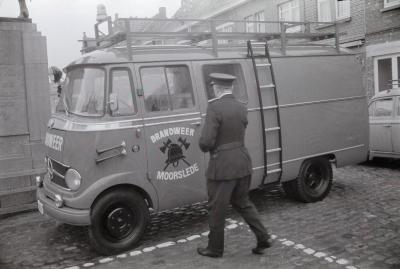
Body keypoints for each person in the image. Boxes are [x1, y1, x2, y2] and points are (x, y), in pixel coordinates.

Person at [197, 73, 272, 258]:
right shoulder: (241, 107)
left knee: (217, 208)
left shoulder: (214, 107)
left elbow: (207, 141)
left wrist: (202, 143)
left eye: (213, 86)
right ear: (230, 88)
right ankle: (263, 237)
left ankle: (215, 249)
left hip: (223, 167)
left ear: (217, 88)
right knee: (243, 202)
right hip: (242, 162)